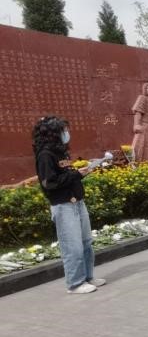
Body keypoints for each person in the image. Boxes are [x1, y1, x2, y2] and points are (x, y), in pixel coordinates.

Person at [32, 116, 105, 294]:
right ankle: (75, 283)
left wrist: (81, 172)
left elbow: (66, 176)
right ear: (53, 133)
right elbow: (49, 183)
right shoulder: (45, 155)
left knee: (86, 242)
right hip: (63, 206)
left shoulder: (60, 152)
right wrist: (76, 175)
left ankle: (88, 277)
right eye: (63, 130)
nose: (67, 133)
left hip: (77, 202)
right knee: (72, 246)